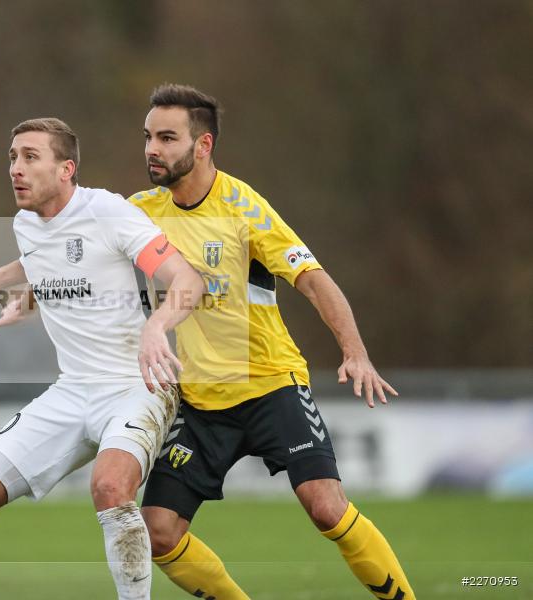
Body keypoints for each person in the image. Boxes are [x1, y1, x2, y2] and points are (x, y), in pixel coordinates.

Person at [128, 83, 415, 599]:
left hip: (269, 385)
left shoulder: (245, 208)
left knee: (325, 506)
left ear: (203, 145)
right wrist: (17, 288)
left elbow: (313, 279)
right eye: (148, 136)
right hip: (198, 402)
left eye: (167, 137)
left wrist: (355, 351)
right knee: (157, 533)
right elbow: (75, 249)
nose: (152, 148)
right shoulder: (139, 212)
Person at [0, 117, 205, 600]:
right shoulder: (25, 223)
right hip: (72, 391)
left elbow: (188, 281)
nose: (16, 168)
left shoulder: (109, 212)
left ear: (66, 168)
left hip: (137, 387)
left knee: (110, 489)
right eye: (12, 157)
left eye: (31, 156)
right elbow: (54, 256)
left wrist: (157, 326)